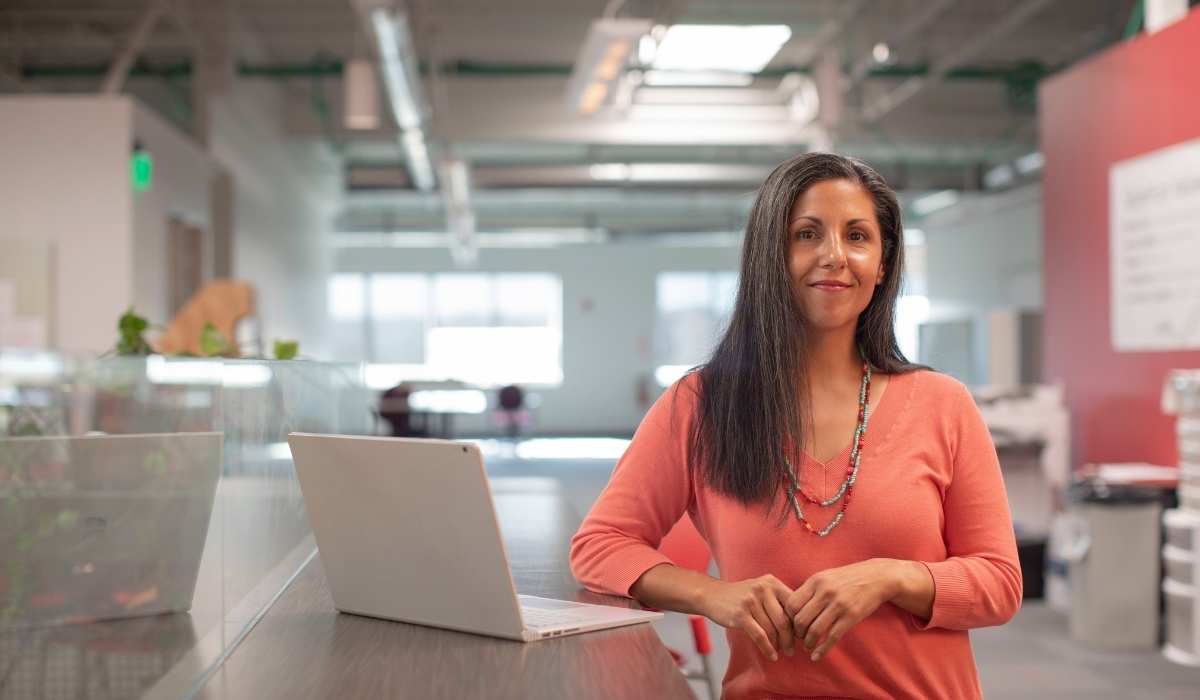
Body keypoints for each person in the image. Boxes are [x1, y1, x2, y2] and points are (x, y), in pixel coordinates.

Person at [570, 153, 1021, 699]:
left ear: (881, 265)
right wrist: (712, 594)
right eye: (807, 234)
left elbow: (1000, 583)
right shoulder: (701, 405)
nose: (834, 256)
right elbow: (600, 545)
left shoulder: (942, 404)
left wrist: (892, 577)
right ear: (771, 256)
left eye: (857, 236)